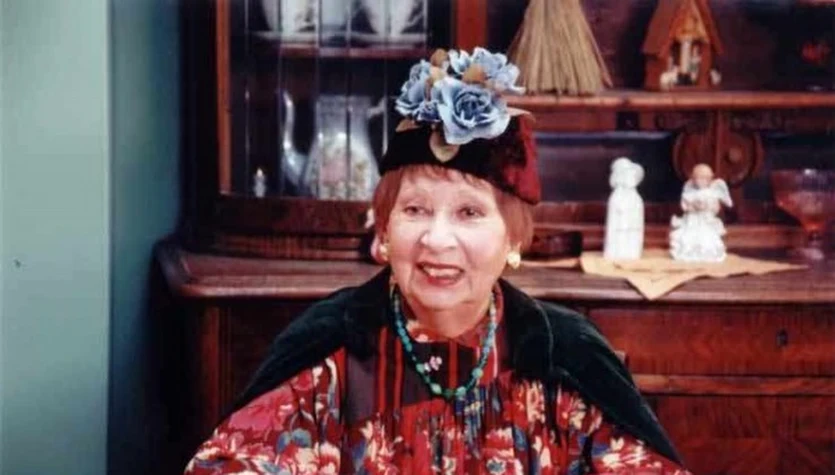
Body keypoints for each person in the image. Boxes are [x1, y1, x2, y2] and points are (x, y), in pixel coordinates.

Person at [185, 48, 691, 474]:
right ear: (384, 232)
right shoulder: (328, 354)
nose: (437, 239)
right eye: (415, 210)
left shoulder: (564, 357)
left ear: (514, 239)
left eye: (469, 212)